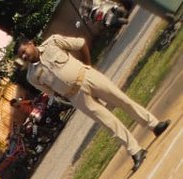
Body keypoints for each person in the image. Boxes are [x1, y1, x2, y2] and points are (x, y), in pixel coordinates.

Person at [18, 35, 169, 171]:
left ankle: (154, 125)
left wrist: (88, 65)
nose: (24, 56)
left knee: (122, 100)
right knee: (108, 122)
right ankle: (135, 151)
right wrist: (67, 96)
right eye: (21, 55)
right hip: (76, 97)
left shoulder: (53, 42)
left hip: (88, 77)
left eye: (25, 51)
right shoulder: (32, 76)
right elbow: (50, 91)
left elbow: (81, 44)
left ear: (31, 43)